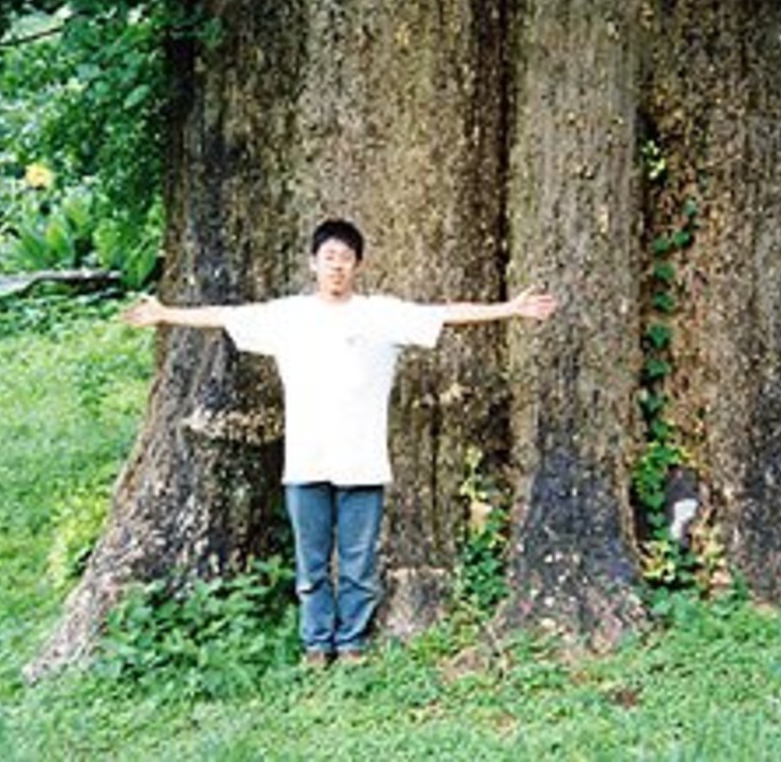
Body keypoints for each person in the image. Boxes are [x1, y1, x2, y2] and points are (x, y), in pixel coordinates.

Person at [123, 218, 556, 667]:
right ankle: (316, 645)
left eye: (345, 259)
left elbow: (445, 313)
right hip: (306, 462)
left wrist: (510, 309)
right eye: (329, 257)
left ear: (358, 265)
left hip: (362, 462)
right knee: (311, 566)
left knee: (357, 564)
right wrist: (164, 313)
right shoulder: (287, 316)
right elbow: (225, 317)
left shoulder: (380, 314)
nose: (337, 266)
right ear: (313, 263)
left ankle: (351, 643)